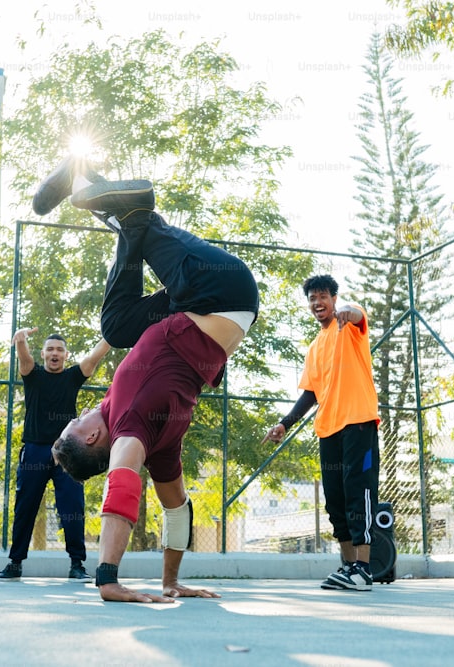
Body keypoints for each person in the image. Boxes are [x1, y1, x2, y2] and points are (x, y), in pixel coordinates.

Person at [36, 158, 259, 602]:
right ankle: (118, 203)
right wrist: (107, 578)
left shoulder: (157, 445)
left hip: (204, 307)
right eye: (76, 422)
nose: (81, 411)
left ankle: (88, 183)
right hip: (213, 291)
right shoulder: (130, 428)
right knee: (139, 217)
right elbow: (121, 484)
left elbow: (177, 510)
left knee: (116, 326)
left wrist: (171, 581)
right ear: (94, 435)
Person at [263, 274, 380, 591]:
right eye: (312, 298)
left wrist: (350, 313)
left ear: (334, 299)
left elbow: (358, 314)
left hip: (358, 421)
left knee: (360, 492)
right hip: (328, 428)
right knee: (336, 501)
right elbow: (310, 393)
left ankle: (364, 569)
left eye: (323, 297)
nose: (318, 303)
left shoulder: (349, 326)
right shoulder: (314, 348)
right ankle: (348, 567)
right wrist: (285, 423)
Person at [0, 328, 111, 583]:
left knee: (72, 507)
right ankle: (15, 563)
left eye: (59, 350)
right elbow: (24, 359)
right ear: (44, 354)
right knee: (25, 506)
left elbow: (93, 358)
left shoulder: (71, 378)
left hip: (67, 451)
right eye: (50, 349)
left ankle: (77, 564)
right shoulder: (33, 375)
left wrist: (113, 333)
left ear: (66, 355)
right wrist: (20, 339)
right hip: (35, 450)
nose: (54, 353)